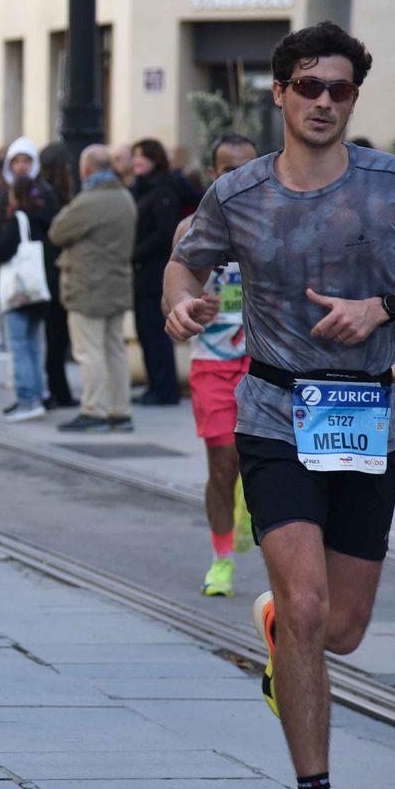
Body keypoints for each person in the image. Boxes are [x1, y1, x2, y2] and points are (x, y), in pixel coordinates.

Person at [166, 21, 395, 789]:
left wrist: (384, 306)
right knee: (306, 607)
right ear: (279, 93)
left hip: (366, 415)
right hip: (274, 411)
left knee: (339, 629)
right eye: (309, 85)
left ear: (353, 98)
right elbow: (183, 261)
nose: (324, 101)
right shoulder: (240, 193)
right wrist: (180, 303)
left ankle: (277, 628)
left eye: (339, 88)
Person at [170, 132, 259, 597]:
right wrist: (186, 304)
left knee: (254, 459)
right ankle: (222, 558)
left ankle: (246, 507)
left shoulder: (273, 221)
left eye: (247, 168)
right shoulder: (192, 229)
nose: (238, 178)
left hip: (264, 361)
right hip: (213, 363)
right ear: (213, 174)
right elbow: (177, 283)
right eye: (229, 170)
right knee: (222, 461)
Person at [50, 145, 137, 433]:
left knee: (89, 351)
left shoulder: (89, 201)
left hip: (88, 286)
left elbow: (57, 231)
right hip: (118, 283)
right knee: (115, 350)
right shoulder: (125, 198)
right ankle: (120, 411)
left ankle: (94, 410)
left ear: (85, 169)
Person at [0, 174, 54, 422]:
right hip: (39, 291)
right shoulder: (44, 219)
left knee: (19, 347)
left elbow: (0, 252)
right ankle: (38, 395)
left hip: (19, 294)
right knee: (35, 346)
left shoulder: (16, 220)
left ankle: (27, 399)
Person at [131, 138, 184, 405]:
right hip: (142, 274)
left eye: (142, 156)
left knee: (156, 333)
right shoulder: (140, 189)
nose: (136, 161)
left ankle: (164, 388)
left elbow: (165, 233)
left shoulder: (162, 189)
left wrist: (135, 252)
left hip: (155, 272)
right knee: (145, 331)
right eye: (135, 156)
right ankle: (155, 384)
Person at [37, 144, 79, 410]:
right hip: (52, 272)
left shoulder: (45, 192)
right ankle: (57, 390)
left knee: (55, 337)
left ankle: (57, 389)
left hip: (49, 270)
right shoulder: (51, 195)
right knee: (56, 337)